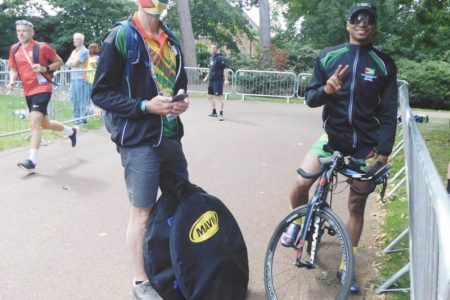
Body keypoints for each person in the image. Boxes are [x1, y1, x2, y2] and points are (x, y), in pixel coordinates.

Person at [282, 3, 398, 294]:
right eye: (357, 18)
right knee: (300, 183)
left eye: (369, 19)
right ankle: (301, 223)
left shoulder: (384, 64)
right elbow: (310, 98)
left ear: (374, 26)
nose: (363, 23)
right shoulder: (328, 56)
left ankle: (348, 261)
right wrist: (327, 91)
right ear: (348, 24)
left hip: (366, 147)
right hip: (331, 138)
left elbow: (388, 111)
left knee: (356, 205)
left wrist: (383, 152)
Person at [91, 0, 189, 299]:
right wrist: (144, 106)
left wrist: (180, 102)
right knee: (142, 214)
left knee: (180, 205)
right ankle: (141, 282)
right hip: (138, 139)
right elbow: (101, 93)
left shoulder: (171, 39)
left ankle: (179, 267)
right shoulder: (121, 36)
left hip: (170, 135)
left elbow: (178, 84)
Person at [7, 20, 77, 172]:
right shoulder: (14, 49)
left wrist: (45, 67)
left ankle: (32, 160)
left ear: (32, 32)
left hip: (43, 88)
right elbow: (13, 68)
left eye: (24, 30)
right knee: (45, 124)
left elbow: (59, 62)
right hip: (28, 91)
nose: (21, 33)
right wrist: (12, 81)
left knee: (34, 123)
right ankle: (71, 132)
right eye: (18, 30)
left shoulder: (42, 47)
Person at [66, 32, 89, 125]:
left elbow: (76, 63)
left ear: (82, 40)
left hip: (81, 78)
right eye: (74, 39)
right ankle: (76, 118)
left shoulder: (84, 51)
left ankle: (83, 119)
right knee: (74, 98)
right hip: (74, 78)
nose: (74, 41)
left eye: (77, 39)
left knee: (82, 99)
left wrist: (72, 63)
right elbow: (67, 63)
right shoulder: (74, 51)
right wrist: (72, 63)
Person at [203, 43, 228, 121]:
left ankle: (221, 114)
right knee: (209, 96)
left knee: (219, 97)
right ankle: (214, 112)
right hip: (211, 80)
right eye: (211, 48)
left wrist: (226, 79)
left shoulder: (220, 58)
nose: (212, 49)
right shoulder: (211, 58)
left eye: (214, 48)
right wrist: (206, 77)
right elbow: (210, 69)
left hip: (218, 80)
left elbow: (225, 69)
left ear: (217, 49)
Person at [86, 43, 101, 117]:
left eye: (90, 48)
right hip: (87, 79)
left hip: (94, 79)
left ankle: (97, 113)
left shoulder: (98, 58)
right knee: (87, 97)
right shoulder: (87, 57)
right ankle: (89, 112)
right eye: (89, 47)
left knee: (95, 96)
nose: (89, 49)